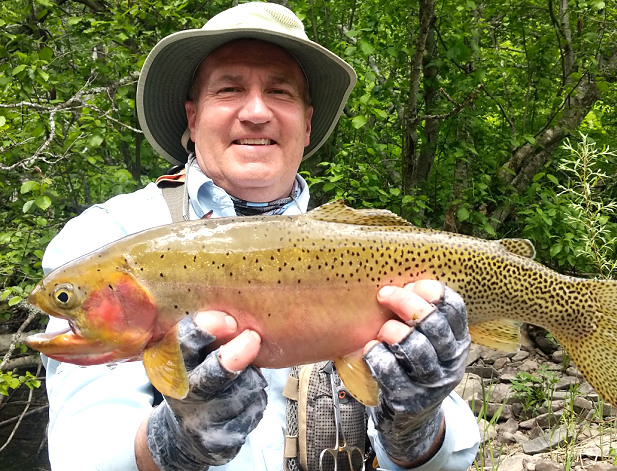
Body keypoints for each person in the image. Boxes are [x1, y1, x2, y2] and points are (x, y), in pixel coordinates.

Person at [39, 2, 481, 470]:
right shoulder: (106, 238)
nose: (255, 111)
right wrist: (172, 445)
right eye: (229, 89)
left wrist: (417, 430)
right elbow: (83, 455)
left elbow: (451, 462)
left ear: (307, 125)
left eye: (280, 91)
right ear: (193, 118)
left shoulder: (365, 246)